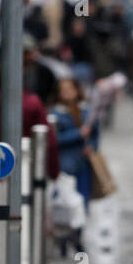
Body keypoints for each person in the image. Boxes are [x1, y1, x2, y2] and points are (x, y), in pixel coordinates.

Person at [49, 77, 98, 207]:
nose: (67, 93)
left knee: (83, 198)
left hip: (84, 161)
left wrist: (93, 146)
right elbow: (54, 138)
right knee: (66, 200)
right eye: (64, 90)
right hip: (66, 162)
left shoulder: (86, 110)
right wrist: (78, 134)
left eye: (70, 89)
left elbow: (95, 132)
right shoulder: (56, 113)